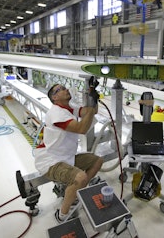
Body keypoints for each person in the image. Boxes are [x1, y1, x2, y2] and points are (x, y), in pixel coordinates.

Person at [34, 80, 103, 223]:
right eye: (60, 89)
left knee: (98, 161)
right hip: (50, 160)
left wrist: (93, 98)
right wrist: (90, 108)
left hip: (66, 157)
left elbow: (91, 111)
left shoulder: (69, 108)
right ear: (54, 97)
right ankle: (62, 215)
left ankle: (75, 193)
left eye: (65, 88)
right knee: (80, 177)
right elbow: (81, 129)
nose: (66, 90)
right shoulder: (56, 113)